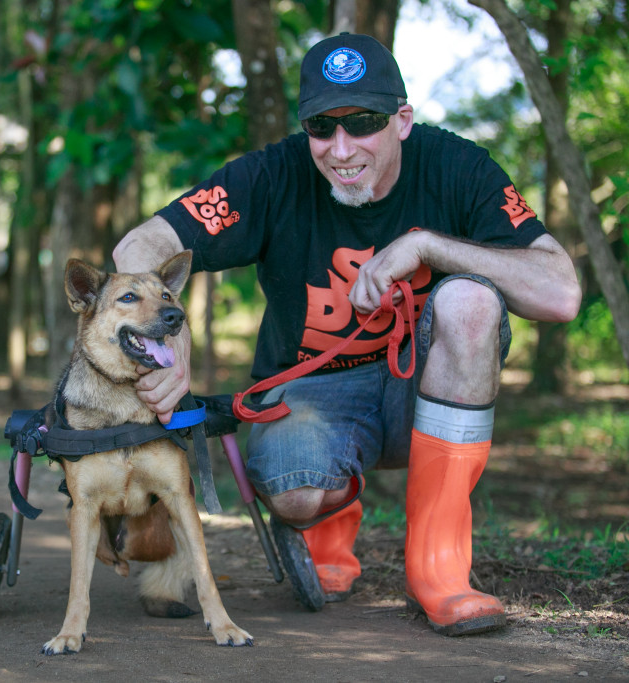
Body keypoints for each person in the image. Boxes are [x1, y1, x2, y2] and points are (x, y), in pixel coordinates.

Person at [112, 32, 581, 636]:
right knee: (294, 492)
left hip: (424, 384)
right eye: (321, 128)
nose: (341, 148)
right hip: (314, 393)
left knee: (469, 301)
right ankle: (331, 509)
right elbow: (140, 246)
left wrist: (428, 245)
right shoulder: (274, 174)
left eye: (363, 123)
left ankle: (439, 568)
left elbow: (562, 292)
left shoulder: (458, 166)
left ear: (402, 121)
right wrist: (169, 338)